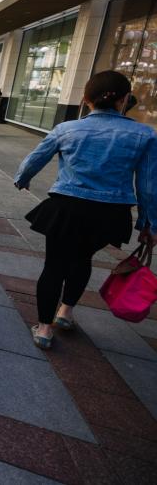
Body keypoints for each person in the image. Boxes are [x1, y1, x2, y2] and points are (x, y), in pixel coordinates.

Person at [15, 71, 156, 349]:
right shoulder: (144, 135)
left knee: (54, 264)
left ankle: (44, 329)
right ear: (125, 99)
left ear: (85, 100)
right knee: (82, 259)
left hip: (67, 207)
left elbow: (35, 158)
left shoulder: (67, 129)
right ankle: (65, 313)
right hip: (110, 214)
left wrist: (23, 178)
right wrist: (148, 224)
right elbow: (149, 185)